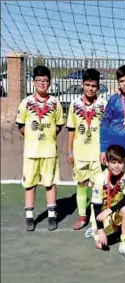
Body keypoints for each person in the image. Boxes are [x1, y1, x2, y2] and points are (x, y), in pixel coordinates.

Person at [16, 65, 64, 231]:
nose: (42, 84)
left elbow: (59, 126)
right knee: (30, 184)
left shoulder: (55, 103)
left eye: (45, 81)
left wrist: (48, 136)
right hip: (31, 152)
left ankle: (52, 215)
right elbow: (21, 125)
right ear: (34, 82)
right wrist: (32, 136)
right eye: (39, 80)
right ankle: (30, 216)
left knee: (49, 184)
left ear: (49, 82)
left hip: (49, 151)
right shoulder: (26, 102)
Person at [67, 68, 107, 230]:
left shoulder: (103, 104)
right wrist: (70, 151)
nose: (90, 88)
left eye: (94, 86)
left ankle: (95, 217)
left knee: (99, 186)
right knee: (81, 184)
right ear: (82, 85)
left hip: (98, 154)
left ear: (98, 87)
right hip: (80, 153)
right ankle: (82, 216)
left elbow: (108, 128)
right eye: (87, 85)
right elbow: (71, 129)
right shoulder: (75, 104)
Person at [90, 145, 125, 259]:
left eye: (120, 162)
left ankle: (124, 244)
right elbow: (96, 206)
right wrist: (100, 230)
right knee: (101, 245)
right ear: (107, 162)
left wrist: (109, 211)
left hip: (115, 211)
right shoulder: (100, 178)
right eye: (113, 162)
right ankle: (101, 230)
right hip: (101, 214)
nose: (117, 166)